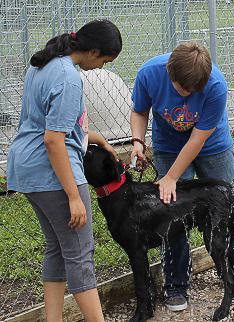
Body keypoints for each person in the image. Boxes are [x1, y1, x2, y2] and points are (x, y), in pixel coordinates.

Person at [130, 41, 234, 312]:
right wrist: (138, 142)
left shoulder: (215, 85)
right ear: (170, 73)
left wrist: (171, 178)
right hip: (168, 146)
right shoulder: (149, 73)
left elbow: (197, 140)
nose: (189, 94)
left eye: (194, 91)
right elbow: (140, 110)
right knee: (171, 214)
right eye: (183, 89)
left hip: (213, 147)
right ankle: (176, 284)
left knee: (223, 211)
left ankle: (231, 270)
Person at [6, 19, 122, 322]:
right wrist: (73, 196)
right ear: (93, 50)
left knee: (57, 249)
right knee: (80, 254)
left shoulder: (44, 62)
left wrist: (92, 137)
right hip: (53, 174)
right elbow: (54, 141)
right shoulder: (70, 79)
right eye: (104, 61)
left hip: (26, 168)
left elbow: (48, 123)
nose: (100, 68)